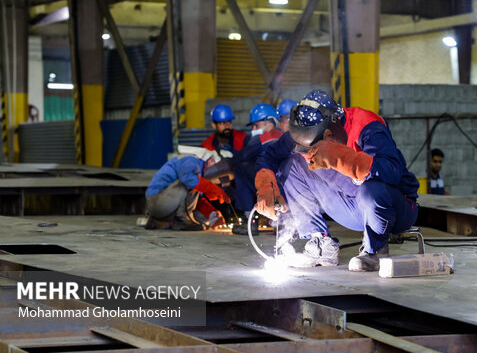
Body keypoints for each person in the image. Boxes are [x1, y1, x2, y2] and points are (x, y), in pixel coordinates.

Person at [254, 90, 419, 271]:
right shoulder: (304, 131)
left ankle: (375, 250)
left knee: (371, 189)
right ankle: (320, 243)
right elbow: (269, 156)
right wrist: (265, 184)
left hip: (394, 208)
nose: (308, 153)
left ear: (328, 134)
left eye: (312, 147)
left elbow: (391, 172)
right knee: (291, 164)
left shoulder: (367, 125)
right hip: (351, 206)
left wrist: (341, 157)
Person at [145, 150, 230, 231]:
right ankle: (182, 221)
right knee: (191, 182)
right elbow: (188, 179)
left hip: (168, 207)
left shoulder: (200, 174)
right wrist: (211, 188)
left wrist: (212, 214)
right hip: (157, 201)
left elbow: (193, 201)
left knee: (204, 222)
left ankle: (160, 222)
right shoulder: (190, 160)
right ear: (211, 160)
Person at [232, 103, 283, 235]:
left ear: (270, 123)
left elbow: (240, 157)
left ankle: (249, 220)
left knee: (241, 168)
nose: (254, 129)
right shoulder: (283, 136)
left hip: (274, 182)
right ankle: (283, 221)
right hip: (287, 183)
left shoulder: (264, 137)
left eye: (256, 125)